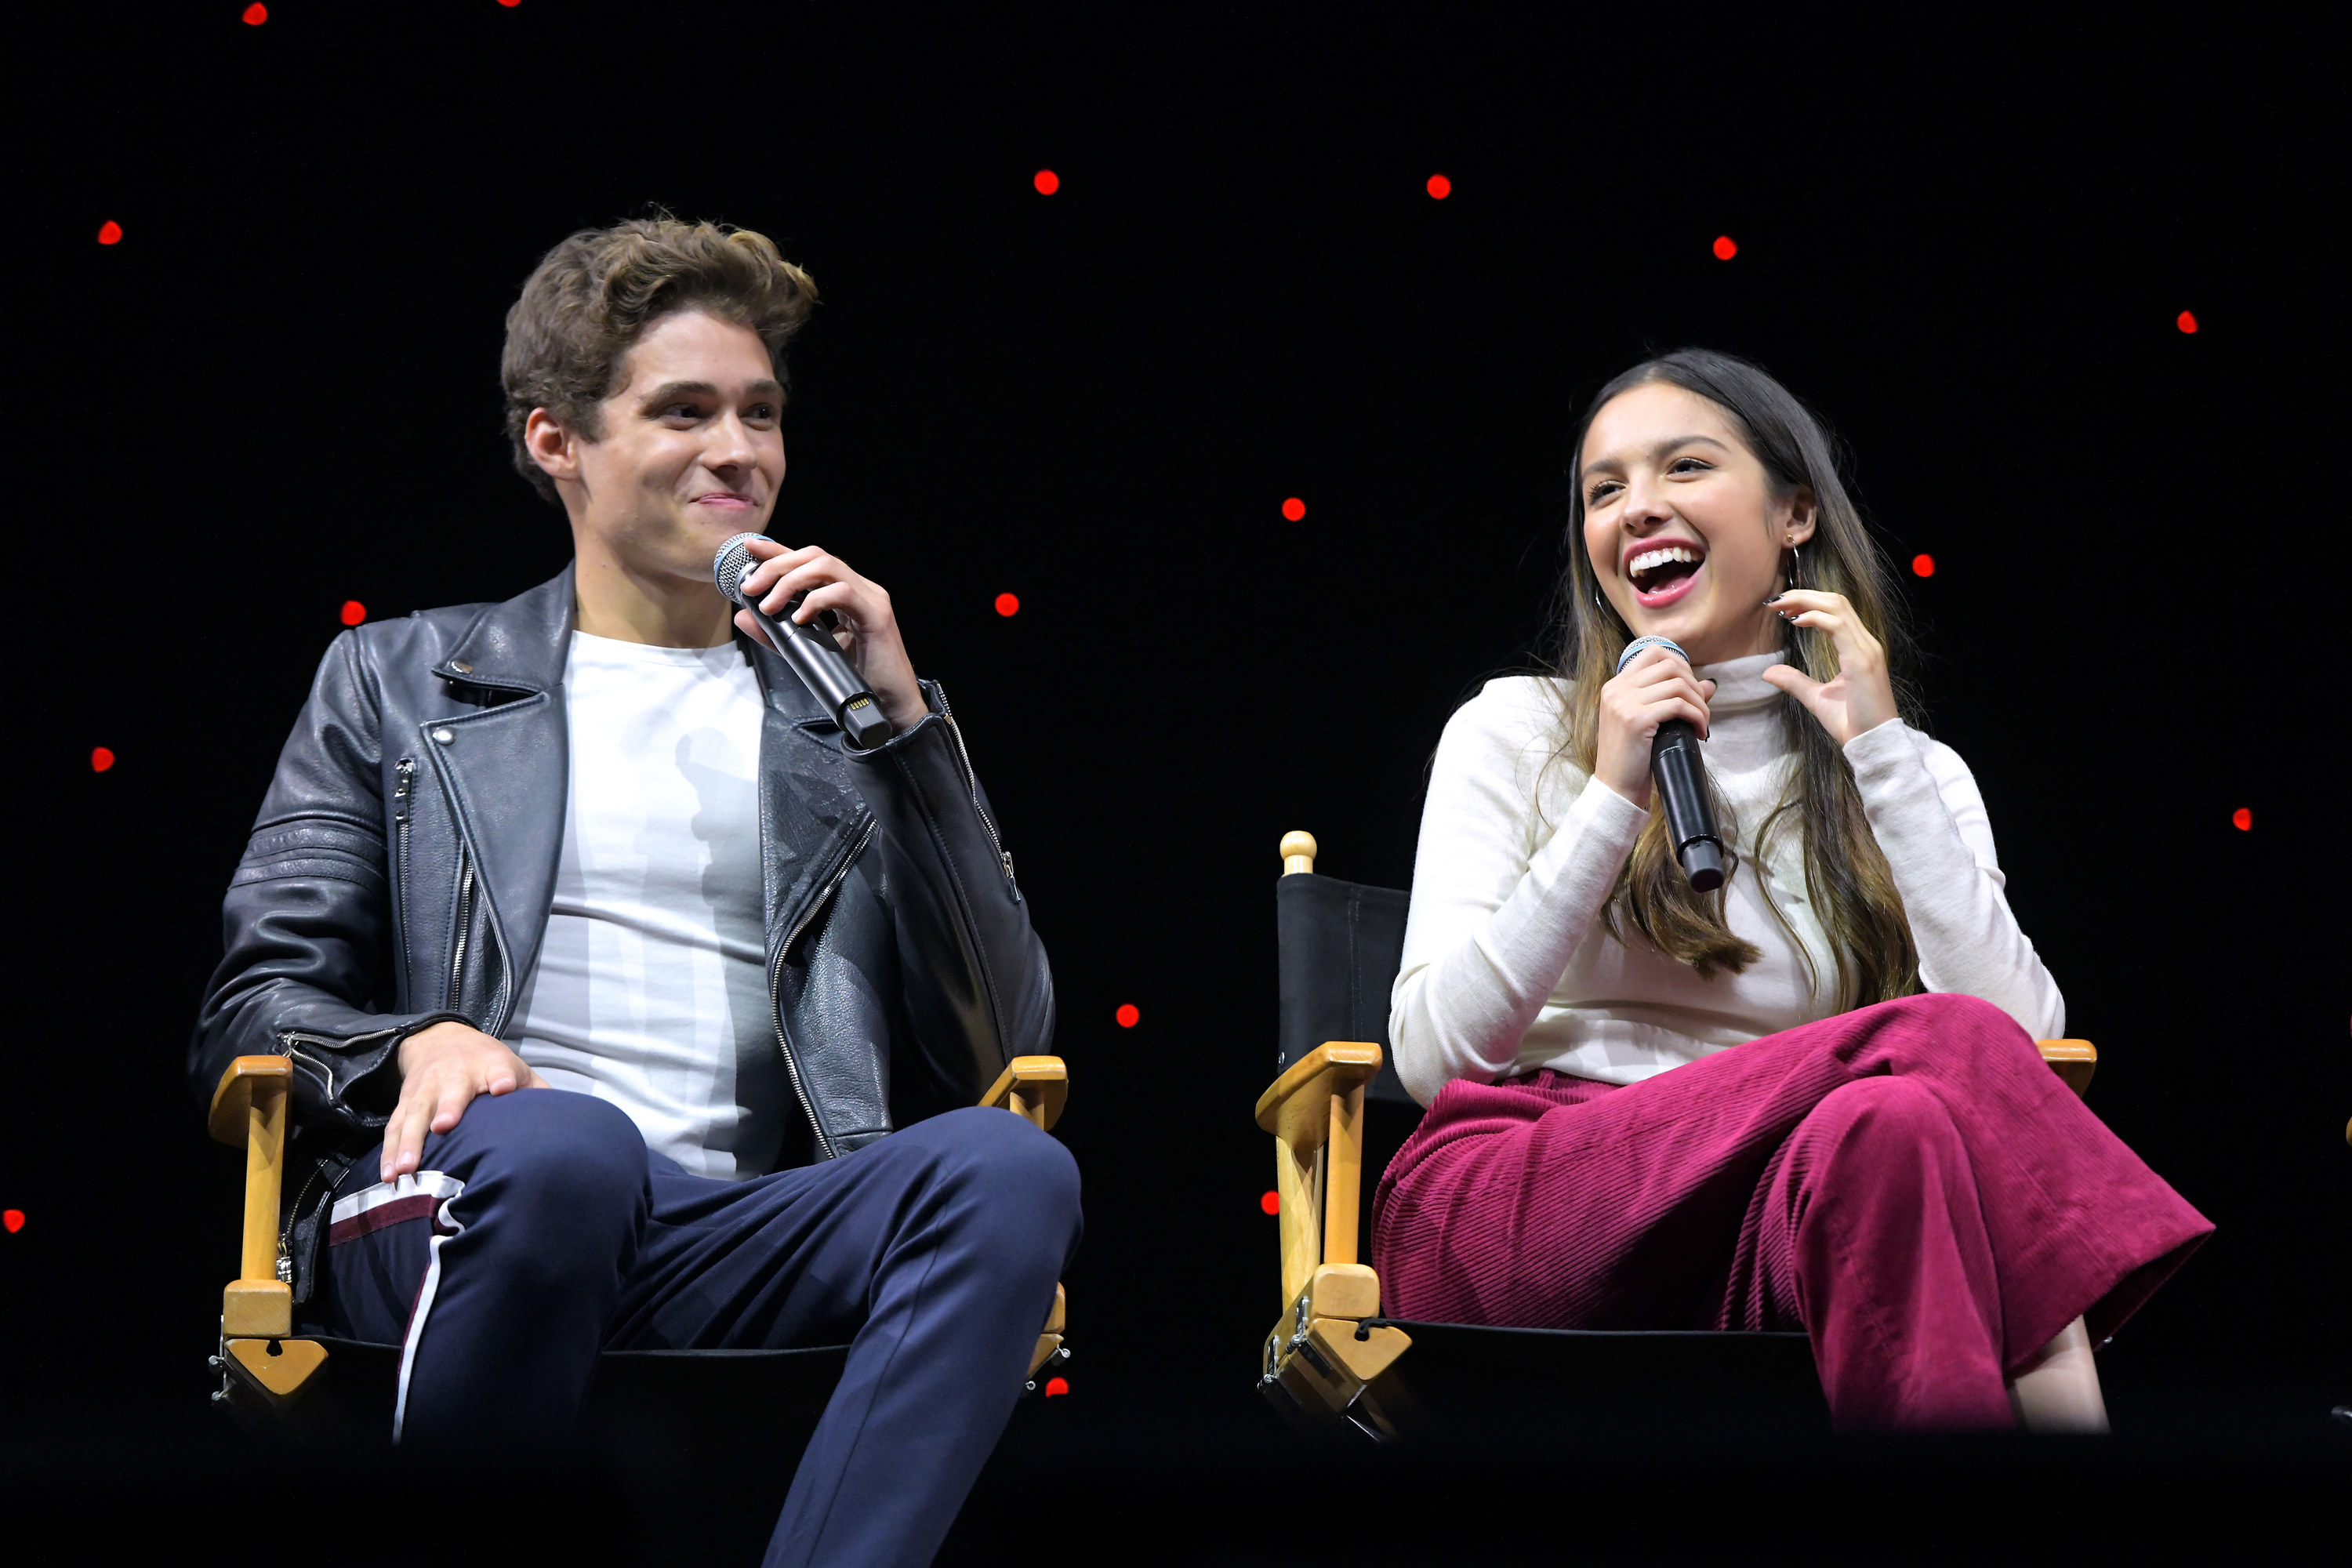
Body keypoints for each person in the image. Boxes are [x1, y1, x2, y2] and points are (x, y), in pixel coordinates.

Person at [191, 217, 1079, 1564]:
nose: (740, 452)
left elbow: (999, 1040)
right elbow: (253, 1007)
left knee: (1010, 1168)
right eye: (684, 411)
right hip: (477, 1195)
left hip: (733, 1221)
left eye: (761, 413)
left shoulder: (845, 720)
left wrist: (903, 729)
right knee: (570, 1147)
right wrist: (415, 1041)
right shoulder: (402, 681)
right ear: (557, 440)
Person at [1374, 348, 2209, 1430]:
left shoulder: (1909, 770)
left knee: (1898, 1126)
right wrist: (1611, 795)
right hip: (1519, 1208)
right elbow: (1436, 1057)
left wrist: (1884, 760)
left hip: (1777, 1212)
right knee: (1930, 1049)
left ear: (1795, 515)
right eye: (1604, 489)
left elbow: (2018, 1038)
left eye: (1684, 467)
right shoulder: (1515, 731)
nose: (1639, 509)